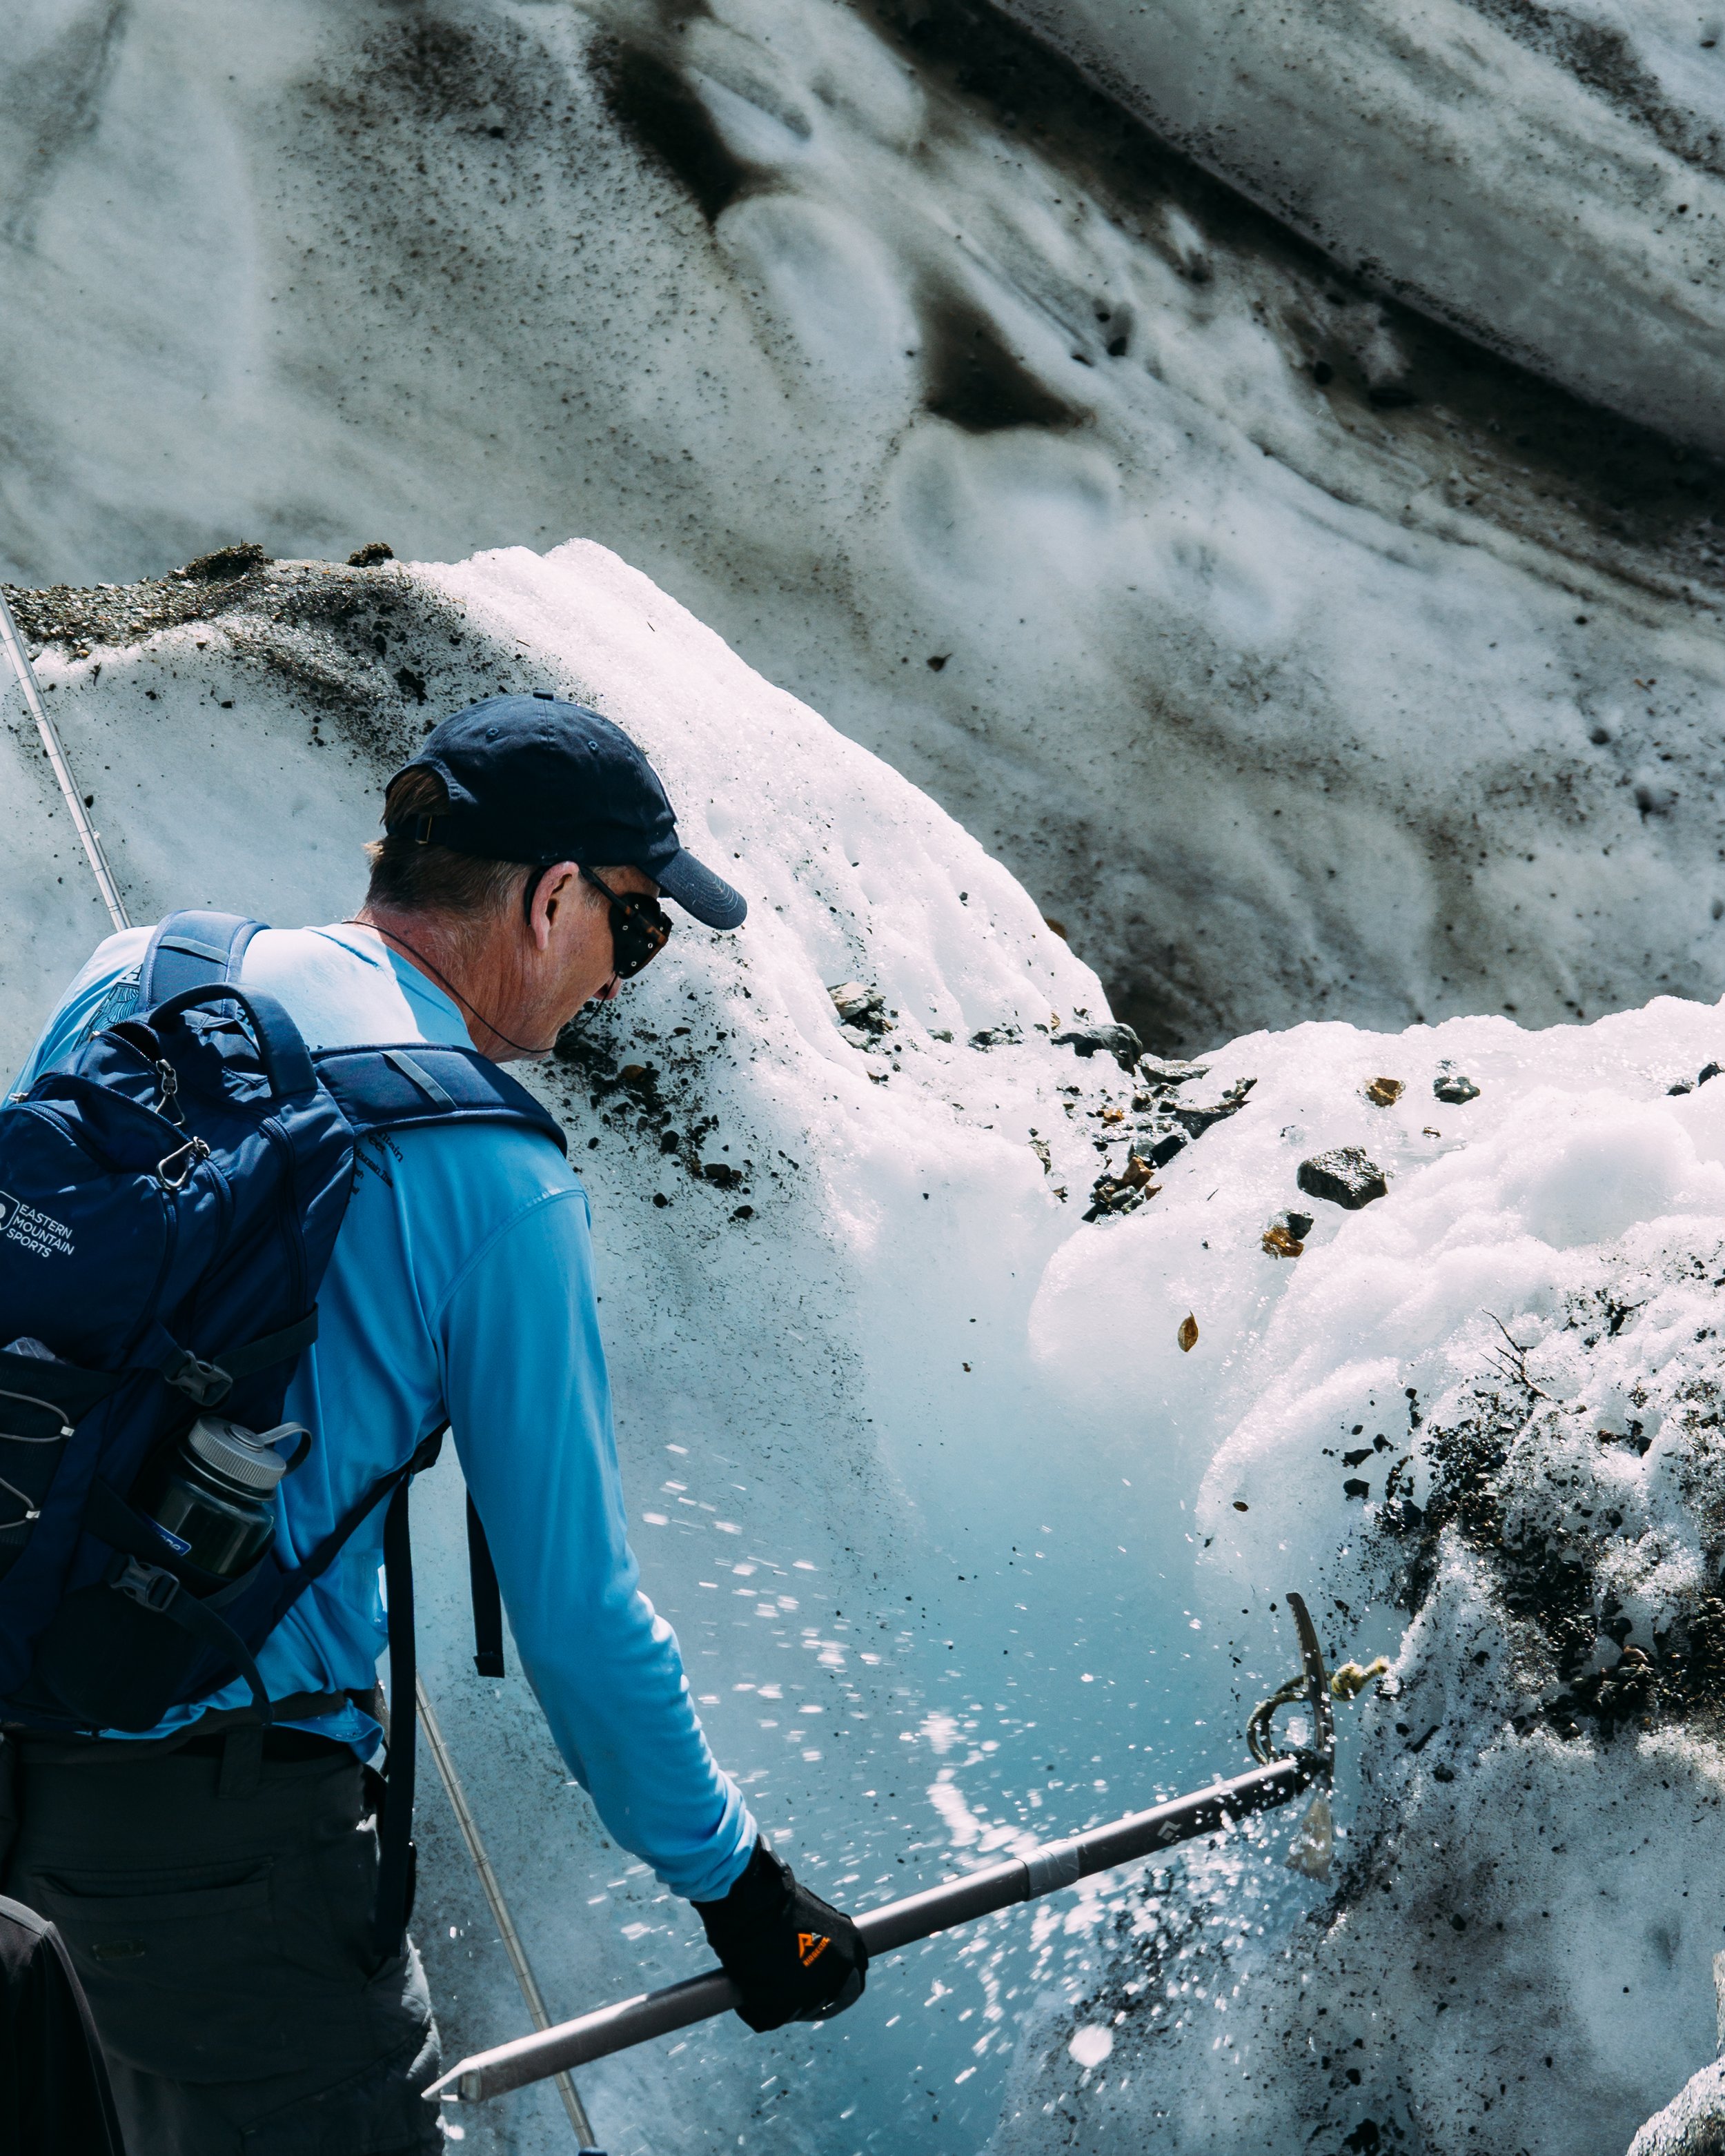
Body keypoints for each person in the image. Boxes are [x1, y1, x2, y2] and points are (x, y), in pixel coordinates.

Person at [0, 694, 865, 2155]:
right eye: (635, 930)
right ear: (545, 902)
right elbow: (576, 1616)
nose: (619, 980)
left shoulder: (142, 969)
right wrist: (741, 1892)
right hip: (221, 1850)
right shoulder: (494, 1174)